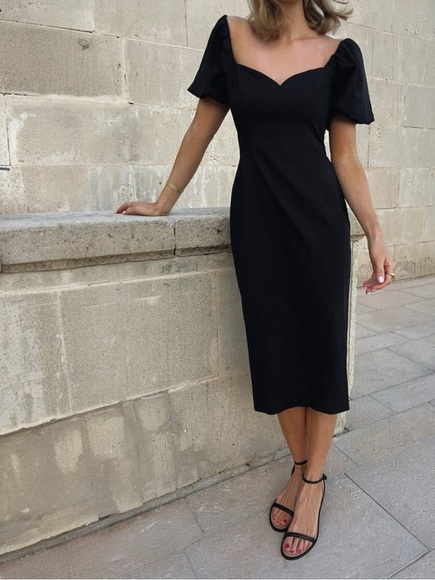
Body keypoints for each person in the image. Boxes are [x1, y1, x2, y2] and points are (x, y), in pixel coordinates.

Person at [116, 0, 395, 560]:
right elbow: (201, 128)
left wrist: (375, 232)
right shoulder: (231, 35)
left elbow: (345, 158)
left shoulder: (341, 56)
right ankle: (300, 464)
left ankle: (312, 483)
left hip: (318, 222)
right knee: (274, 351)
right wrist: (164, 203)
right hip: (258, 220)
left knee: (321, 350)